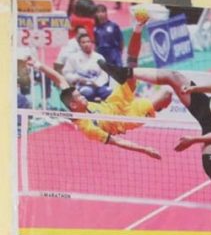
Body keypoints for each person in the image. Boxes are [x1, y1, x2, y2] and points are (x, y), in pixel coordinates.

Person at [101, 49, 211, 224]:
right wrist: (195, 88)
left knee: (210, 166)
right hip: (205, 105)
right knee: (173, 76)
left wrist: (193, 140)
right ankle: (125, 73)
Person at [27, 18, 165, 159]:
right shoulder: (88, 127)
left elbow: (59, 79)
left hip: (113, 102)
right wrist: (145, 149)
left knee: (131, 68)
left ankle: (138, 29)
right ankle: (159, 103)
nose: (82, 96)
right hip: (124, 119)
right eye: (79, 97)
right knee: (166, 93)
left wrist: (37, 64)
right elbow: (117, 141)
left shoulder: (73, 97)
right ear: (73, 105)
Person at [61, 29, 112, 101]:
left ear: (92, 43)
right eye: (83, 42)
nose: (86, 44)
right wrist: (77, 78)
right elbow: (66, 73)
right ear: (79, 44)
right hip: (82, 86)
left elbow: (104, 74)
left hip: (97, 85)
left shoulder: (99, 57)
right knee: (87, 92)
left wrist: (97, 83)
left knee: (109, 91)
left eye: (88, 42)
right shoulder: (73, 58)